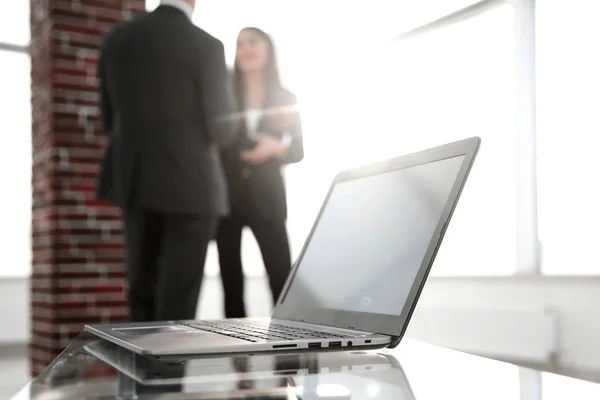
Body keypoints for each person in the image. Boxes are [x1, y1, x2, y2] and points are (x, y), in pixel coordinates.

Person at [96, 0, 240, 322]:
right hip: (191, 188)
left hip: (135, 181)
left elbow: (107, 118)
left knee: (140, 292)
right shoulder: (206, 45)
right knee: (178, 300)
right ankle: (169, 372)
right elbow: (222, 126)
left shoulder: (117, 38)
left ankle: (137, 372)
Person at [216, 27, 304, 318]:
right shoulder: (224, 95)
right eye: (240, 43)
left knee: (280, 274)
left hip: (268, 198)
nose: (246, 48)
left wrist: (274, 148)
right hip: (227, 196)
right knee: (230, 280)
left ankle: (287, 345)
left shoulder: (285, 96)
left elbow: (297, 151)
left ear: (268, 48)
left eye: (253, 42)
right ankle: (234, 352)